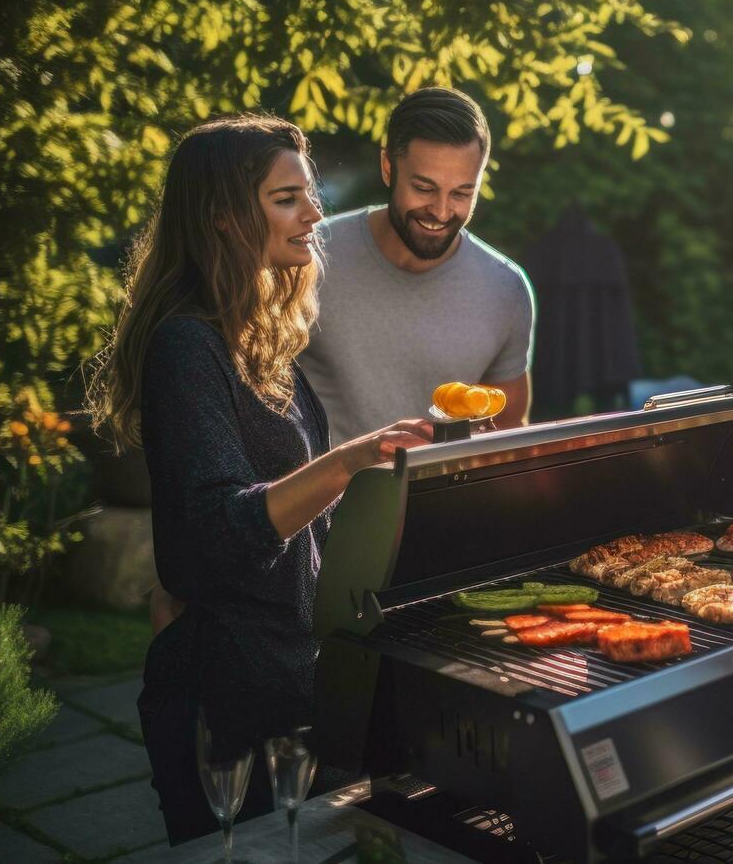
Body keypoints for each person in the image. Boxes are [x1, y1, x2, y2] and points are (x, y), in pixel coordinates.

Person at [87, 114, 433, 844]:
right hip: (228, 696)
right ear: (221, 216)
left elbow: (304, 527)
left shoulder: (263, 343)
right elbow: (216, 532)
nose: (314, 214)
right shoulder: (187, 346)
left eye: (307, 195)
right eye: (287, 198)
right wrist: (348, 460)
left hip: (290, 674)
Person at [299, 87, 535, 443]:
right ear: (387, 167)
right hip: (320, 498)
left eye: (461, 193)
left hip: (441, 498)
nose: (441, 212)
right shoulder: (306, 256)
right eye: (424, 188)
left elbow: (508, 433)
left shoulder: (506, 289)